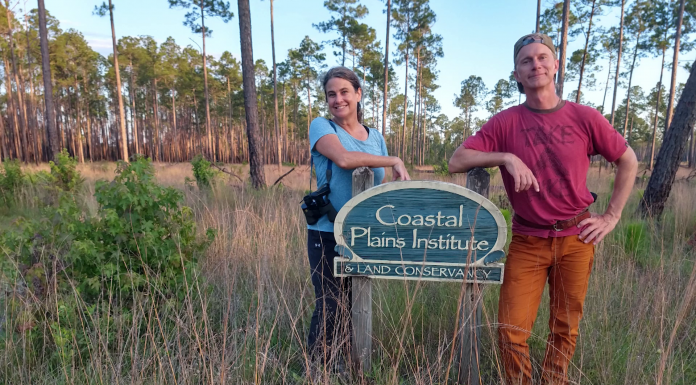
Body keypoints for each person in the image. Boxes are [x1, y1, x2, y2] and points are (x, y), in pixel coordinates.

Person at [448, 33, 638, 385]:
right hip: (527, 240)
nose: (535, 64)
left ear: (555, 65)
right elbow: (457, 160)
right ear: (517, 75)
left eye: (542, 57)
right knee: (510, 330)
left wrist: (611, 216)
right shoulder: (505, 122)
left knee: (565, 328)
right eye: (525, 61)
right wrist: (506, 156)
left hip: (577, 237)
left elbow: (628, 160)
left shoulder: (584, 117)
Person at [306, 66, 411, 365]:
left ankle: (350, 366)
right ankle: (319, 369)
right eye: (331, 94)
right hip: (327, 233)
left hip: (363, 236)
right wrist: (394, 159)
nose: (337, 99)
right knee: (330, 305)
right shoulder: (322, 127)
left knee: (356, 304)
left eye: (344, 92)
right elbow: (343, 158)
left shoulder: (375, 136)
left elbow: (380, 187)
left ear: (358, 94)